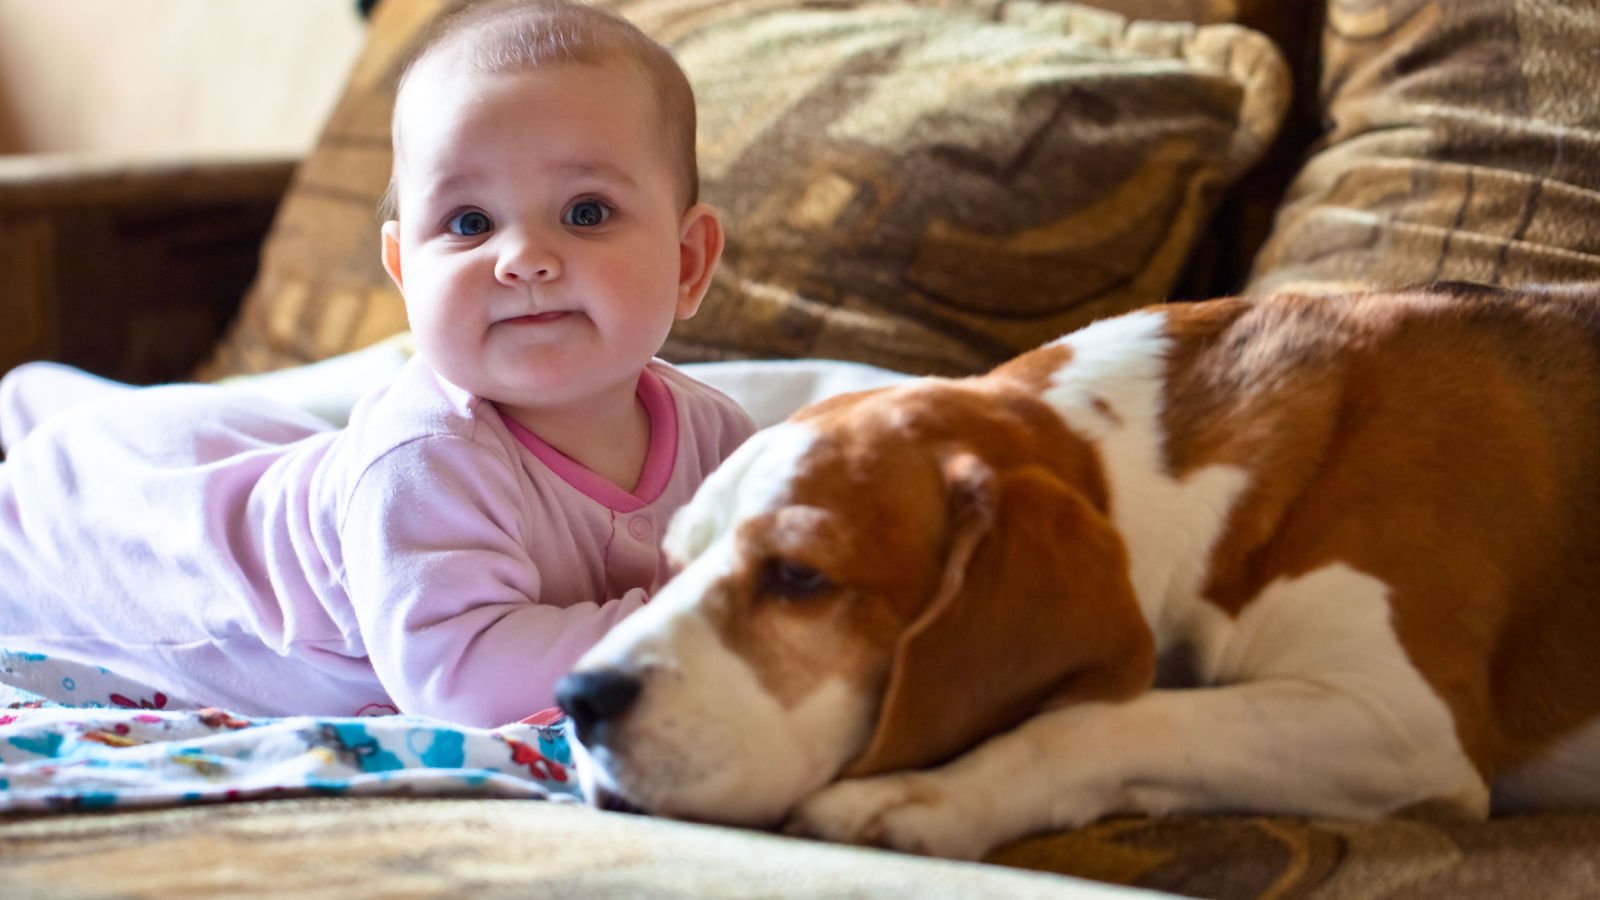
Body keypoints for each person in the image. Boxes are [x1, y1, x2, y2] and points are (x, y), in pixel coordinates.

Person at [0, 0, 755, 727]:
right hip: (140, 553)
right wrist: (683, 618)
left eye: (586, 212)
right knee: (76, 482)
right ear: (404, 270)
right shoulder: (425, 459)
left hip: (267, 458)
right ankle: (39, 413)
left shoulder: (719, 438)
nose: (523, 258)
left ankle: (44, 400)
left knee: (241, 441)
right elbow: (463, 680)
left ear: (688, 262)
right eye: (470, 223)